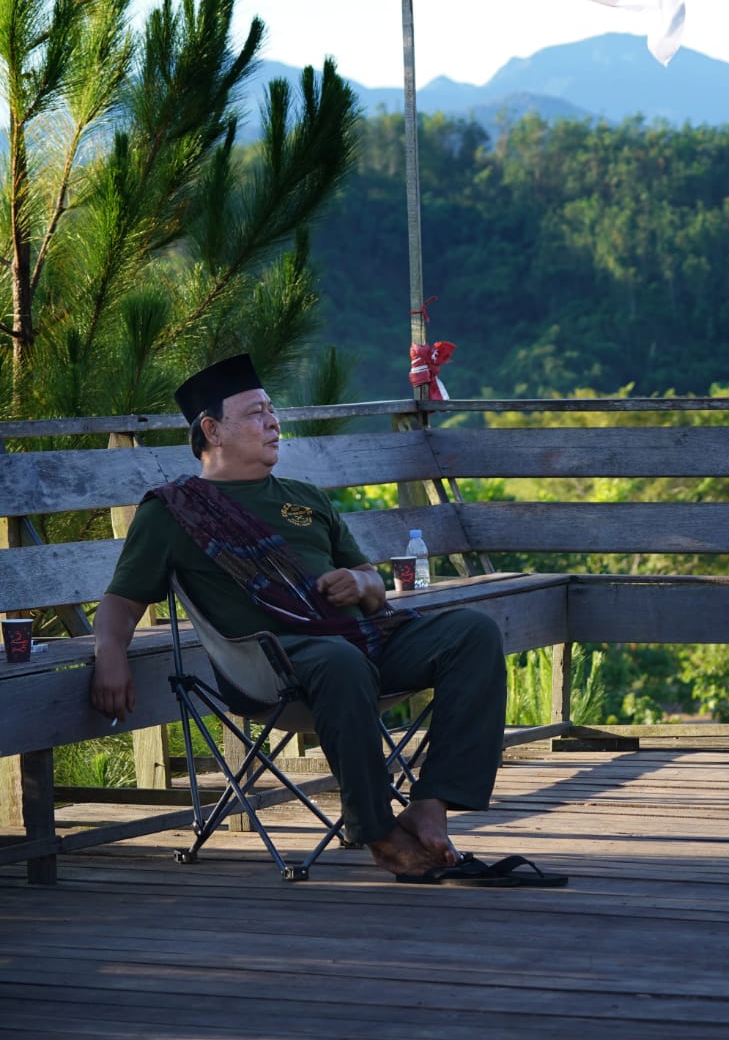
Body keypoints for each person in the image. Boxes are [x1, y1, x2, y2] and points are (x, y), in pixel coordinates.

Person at [90, 354, 560, 886]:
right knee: (340, 662)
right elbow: (122, 602)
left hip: (356, 643)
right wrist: (110, 656)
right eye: (255, 414)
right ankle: (380, 832)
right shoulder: (174, 513)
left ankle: (430, 806)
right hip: (265, 666)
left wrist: (360, 584)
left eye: (272, 410)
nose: (273, 422)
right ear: (212, 430)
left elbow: (371, 582)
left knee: (473, 632)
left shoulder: (305, 498)